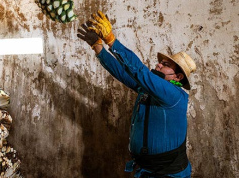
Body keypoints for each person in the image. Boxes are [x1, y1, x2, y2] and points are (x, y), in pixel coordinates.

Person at [77, 11, 196, 178]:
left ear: (178, 77)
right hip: (147, 171)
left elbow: (140, 72)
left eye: (165, 64)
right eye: (160, 62)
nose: (159, 65)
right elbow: (123, 72)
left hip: (167, 175)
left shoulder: (174, 95)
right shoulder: (148, 88)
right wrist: (98, 48)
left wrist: (112, 40)